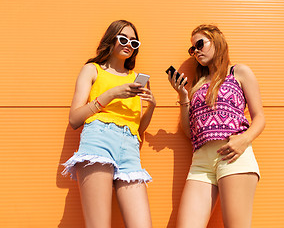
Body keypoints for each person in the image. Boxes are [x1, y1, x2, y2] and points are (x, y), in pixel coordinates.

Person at [167, 24, 265, 228]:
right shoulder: (197, 83)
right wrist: (183, 96)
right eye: (192, 49)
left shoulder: (238, 72)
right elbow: (188, 131)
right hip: (201, 162)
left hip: (233, 156)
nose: (196, 51)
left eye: (200, 44)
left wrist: (243, 140)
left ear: (217, 41)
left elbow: (260, 117)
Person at [62, 20, 155, 228]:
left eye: (134, 42)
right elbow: (74, 119)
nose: (128, 44)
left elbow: (138, 129)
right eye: (123, 39)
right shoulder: (92, 70)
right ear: (110, 40)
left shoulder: (135, 78)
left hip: (130, 149)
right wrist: (112, 94)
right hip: (99, 140)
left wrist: (152, 107)